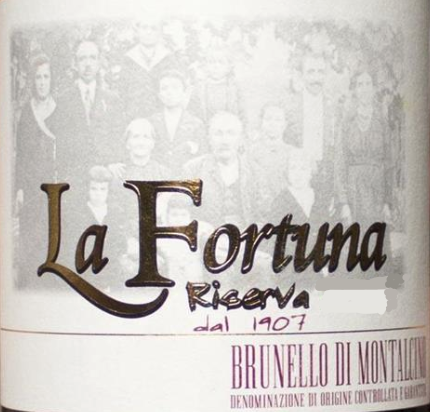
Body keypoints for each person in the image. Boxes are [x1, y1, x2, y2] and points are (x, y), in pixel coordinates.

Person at [48, 40, 125, 190]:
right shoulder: (62, 102)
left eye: (92, 58)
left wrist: (109, 165)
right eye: (82, 58)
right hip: (75, 177)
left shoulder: (112, 100)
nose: (88, 64)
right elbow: (64, 146)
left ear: (99, 62)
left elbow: (117, 139)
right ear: (75, 64)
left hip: (105, 177)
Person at [15, 54, 58, 289]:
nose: (42, 82)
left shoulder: (59, 110)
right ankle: (28, 284)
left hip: (53, 184)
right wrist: (19, 188)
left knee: (50, 233)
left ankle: (49, 283)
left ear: (52, 79)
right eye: (38, 77)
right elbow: (21, 153)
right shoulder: (26, 111)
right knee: (29, 235)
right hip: (31, 185)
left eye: (46, 77)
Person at [183, 112, 264, 228]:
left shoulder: (255, 171)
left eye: (231, 133)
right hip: (207, 236)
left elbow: (264, 215)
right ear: (209, 139)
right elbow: (183, 212)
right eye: (218, 134)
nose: (224, 141)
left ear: (240, 139)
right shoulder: (193, 169)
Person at [337, 69, 392, 227]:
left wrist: (388, 202)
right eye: (360, 84)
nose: (364, 88)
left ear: (373, 88)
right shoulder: (347, 121)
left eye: (368, 84)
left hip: (377, 191)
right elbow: (340, 162)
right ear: (354, 89)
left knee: (377, 237)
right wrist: (344, 203)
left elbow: (389, 162)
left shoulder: (382, 120)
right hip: (354, 192)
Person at [284, 51, 337, 212]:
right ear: (302, 75)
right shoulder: (290, 105)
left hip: (325, 176)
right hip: (297, 176)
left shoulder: (334, 106)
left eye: (320, 72)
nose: (316, 78)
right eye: (311, 72)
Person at [118, 18, 183, 120]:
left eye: (153, 28)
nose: (149, 32)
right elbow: (122, 91)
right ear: (138, 31)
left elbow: (176, 89)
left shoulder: (168, 58)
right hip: (134, 116)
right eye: (144, 28)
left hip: (162, 117)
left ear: (159, 32)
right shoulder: (128, 59)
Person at [150, 70, 205, 174]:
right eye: (164, 88)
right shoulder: (151, 122)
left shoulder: (196, 124)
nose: (169, 92)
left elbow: (202, 156)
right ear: (159, 95)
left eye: (175, 87)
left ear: (184, 93)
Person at [249, 104, 291, 200]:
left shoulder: (293, 154)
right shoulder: (251, 153)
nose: (272, 124)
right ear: (261, 122)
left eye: (278, 120)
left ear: (284, 124)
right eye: (268, 119)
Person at [193, 45, 242, 122]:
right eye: (211, 62)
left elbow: (242, 113)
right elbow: (192, 113)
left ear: (229, 67)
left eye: (221, 62)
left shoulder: (235, 88)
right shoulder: (199, 88)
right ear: (205, 65)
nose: (216, 66)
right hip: (204, 127)